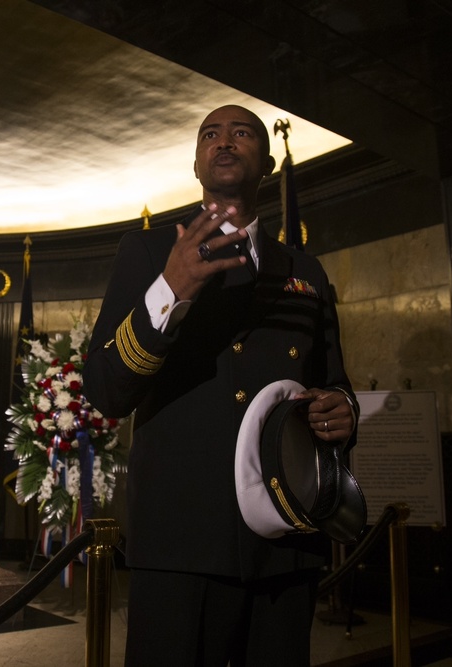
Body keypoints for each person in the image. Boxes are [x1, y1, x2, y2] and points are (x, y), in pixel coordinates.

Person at [83, 105, 358, 666]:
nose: (225, 141)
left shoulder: (306, 271)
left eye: (242, 133)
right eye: (211, 133)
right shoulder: (148, 253)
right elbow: (106, 391)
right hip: (182, 538)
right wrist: (170, 288)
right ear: (196, 162)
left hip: (287, 538)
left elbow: (336, 384)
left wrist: (342, 411)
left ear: (265, 165)